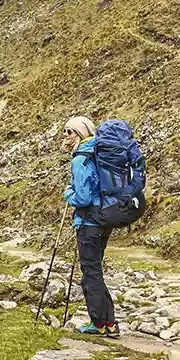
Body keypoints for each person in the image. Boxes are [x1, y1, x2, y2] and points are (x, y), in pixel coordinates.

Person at [61, 116, 120, 337]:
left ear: (79, 134)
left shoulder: (80, 160)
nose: (65, 136)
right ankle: (109, 322)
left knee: (91, 272)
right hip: (104, 219)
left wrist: (68, 193)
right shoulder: (98, 153)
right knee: (95, 270)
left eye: (69, 132)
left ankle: (100, 322)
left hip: (89, 222)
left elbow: (82, 198)